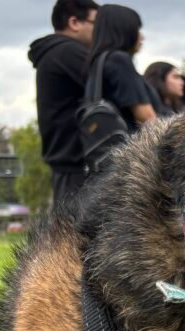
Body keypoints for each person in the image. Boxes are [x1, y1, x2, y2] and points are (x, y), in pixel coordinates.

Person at [28, 0, 99, 218]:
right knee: (79, 230)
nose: (99, 32)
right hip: (78, 164)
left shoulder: (54, 53)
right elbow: (109, 84)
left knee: (68, 228)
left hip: (67, 165)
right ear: (74, 22)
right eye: (95, 24)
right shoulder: (68, 51)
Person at [85, 4, 158, 136]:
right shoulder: (119, 60)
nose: (142, 37)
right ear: (124, 30)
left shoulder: (97, 62)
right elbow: (146, 118)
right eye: (137, 30)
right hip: (135, 145)